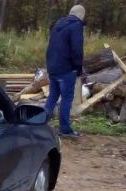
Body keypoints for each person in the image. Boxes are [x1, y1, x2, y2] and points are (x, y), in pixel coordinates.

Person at [44, 5, 85, 138]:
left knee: (52, 97)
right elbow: (77, 49)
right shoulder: (76, 26)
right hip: (67, 69)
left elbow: (50, 46)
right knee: (66, 99)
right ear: (80, 15)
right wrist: (78, 67)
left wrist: (50, 67)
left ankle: (40, 123)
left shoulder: (58, 25)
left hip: (53, 67)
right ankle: (65, 129)